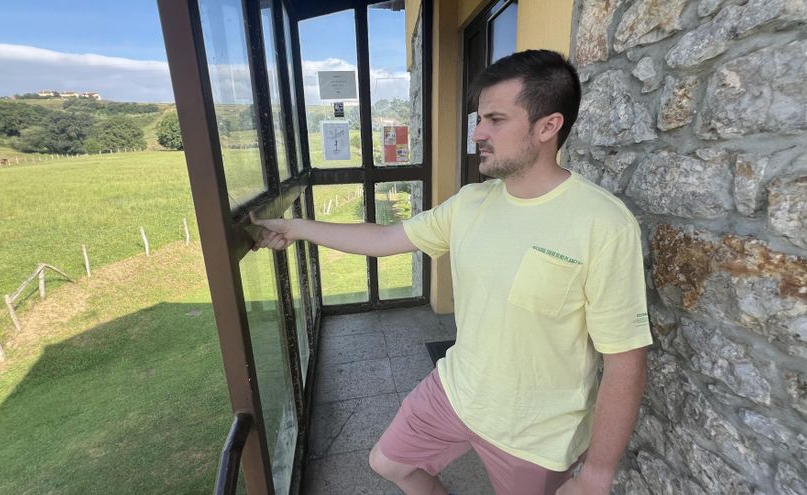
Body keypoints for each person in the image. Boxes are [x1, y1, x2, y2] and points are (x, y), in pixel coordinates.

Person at [253, 49, 652, 495]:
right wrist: (295, 227)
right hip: (456, 390)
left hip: (537, 433)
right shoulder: (471, 203)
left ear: (548, 126)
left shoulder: (603, 224)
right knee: (388, 463)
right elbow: (385, 240)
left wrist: (596, 475)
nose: (478, 133)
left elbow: (625, 361)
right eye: (479, 118)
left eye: (495, 120)